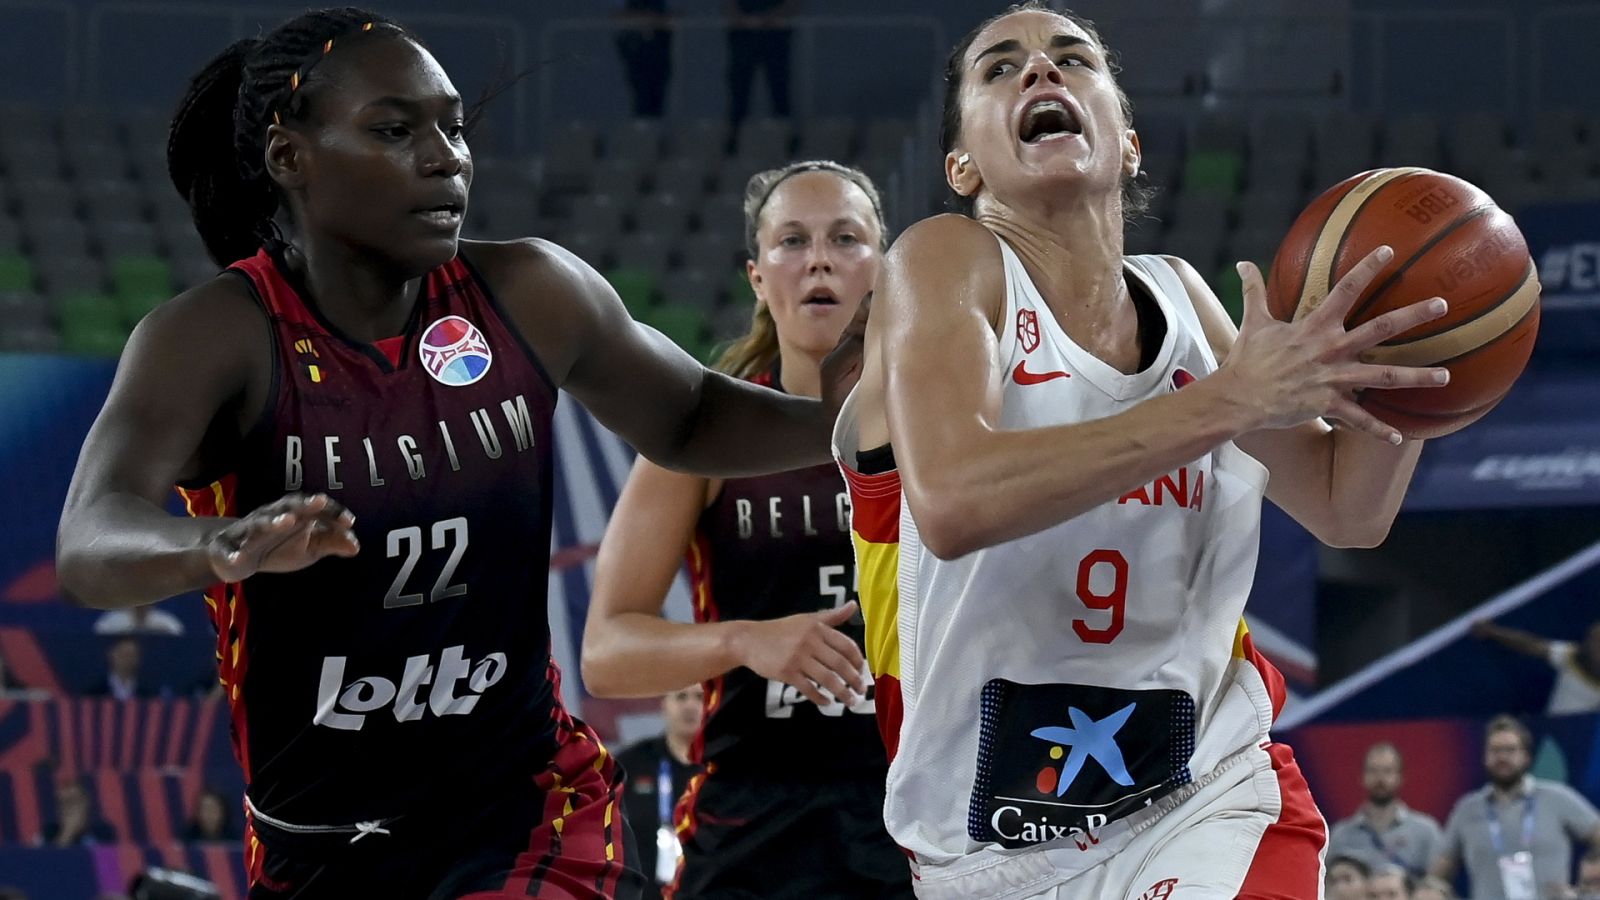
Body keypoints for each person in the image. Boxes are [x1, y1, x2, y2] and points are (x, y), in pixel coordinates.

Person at [53, 9, 861, 899]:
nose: (448, 157)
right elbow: (92, 536)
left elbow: (692, 414)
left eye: (454, 127)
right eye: (397, 131)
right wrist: (215, 547)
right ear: (291, 158)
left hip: (529, 812)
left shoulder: (530, 291)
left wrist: (864, 422)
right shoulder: (215, 338)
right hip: (317, 843)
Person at [830, 3, 1458, 898]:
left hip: (1205, 793)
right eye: (1000, 68)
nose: (1041, 73)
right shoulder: (943, 262)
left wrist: (1422, 370)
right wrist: (1228, 400)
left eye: (1073, 59)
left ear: (1126, 139)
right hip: (989, 844)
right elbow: (955, 499)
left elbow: (1345, 509)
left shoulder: (1183, 299)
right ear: (961, 165)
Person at [583, 160, 911, 899]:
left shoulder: (945, 426)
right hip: (753, 822)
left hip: (919, 809)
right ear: (758, 277)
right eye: (792, 241)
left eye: (845, 239)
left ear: (884, 270)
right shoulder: (706, 436)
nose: (818, 258)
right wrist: (744, 640)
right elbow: (605, 651)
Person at [1432, 715, 1600, 900]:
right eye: (1495, 750)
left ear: (1526, 757)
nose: (1502, 757)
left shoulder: (1557, 798)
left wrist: (1585, 893)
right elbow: (1438, 874)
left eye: (1510, 750)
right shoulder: (1466, 809)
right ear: (1485, 757)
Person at [616, 686, 704, 899]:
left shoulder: (728, 766)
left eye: (699, 697)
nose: (690, 705)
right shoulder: (631, 764)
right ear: (663, 704)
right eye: (681, 697)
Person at [1327, 742, 1443, 877]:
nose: (1380, 779)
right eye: (1373, 771)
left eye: (1387, 771)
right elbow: (1328, 885)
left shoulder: (1426, 831)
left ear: (1400, 777)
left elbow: (1436, 885)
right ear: (1362, 777)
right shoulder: (1341, 835)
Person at [1473, 619, 1600, 715]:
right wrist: (1492, 631)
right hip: (1552, 737)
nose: (1593, 648)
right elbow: (1530, 644)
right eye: (1591, 641)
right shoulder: (1571, 656)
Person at [725, 0, 794, 128]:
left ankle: (786, 132)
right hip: (743, 36)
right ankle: (735, 132)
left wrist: (768, 19)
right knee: (740, 86)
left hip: (775, 36)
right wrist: (743, 20)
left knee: (778, 84)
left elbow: (792, 4)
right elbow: (730, 6)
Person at [615, 0, 673, 118]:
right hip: (636, 57)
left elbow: (674, 17)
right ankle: (641, 130)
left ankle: (652, 130)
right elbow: (617, 16)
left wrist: (653, 20)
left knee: (657, 100)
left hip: (659, 57)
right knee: (641, 98)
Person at [38, 776, 117, 848]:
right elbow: (35, 861)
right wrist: (66, 835)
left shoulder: (103, 832)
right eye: (62, 803)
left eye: (72, 801)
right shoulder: (48, 832)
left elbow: (108, 861)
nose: (68, 808)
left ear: (85, 803)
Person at [85, 636, 156, 700]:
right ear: (111, 655)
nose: (127, 659)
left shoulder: (147, 694)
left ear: (138, 659)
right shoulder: (95, 692)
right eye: (123, 654)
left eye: (131, 655)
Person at [94, 602, 186, 636]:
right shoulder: (111, 620)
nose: (142, 603)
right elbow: (99, 635)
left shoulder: (167, 621)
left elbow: (178, 634)